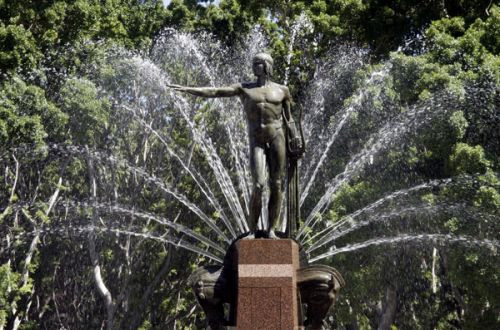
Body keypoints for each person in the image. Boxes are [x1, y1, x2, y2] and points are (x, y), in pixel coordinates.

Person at [169, 52, 302, 238]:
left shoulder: (282, 90)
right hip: (257, 139)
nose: (254, 66)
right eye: (254, 63)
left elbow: (289, 118)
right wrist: (187, 89)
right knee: (258, 185)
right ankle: (252, 230)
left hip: (278, 136)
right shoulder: (244, 89)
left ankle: (271, 229)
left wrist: (295, 138)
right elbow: (216, 92)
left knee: (277, 184)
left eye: (258, 63)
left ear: (267, 66)